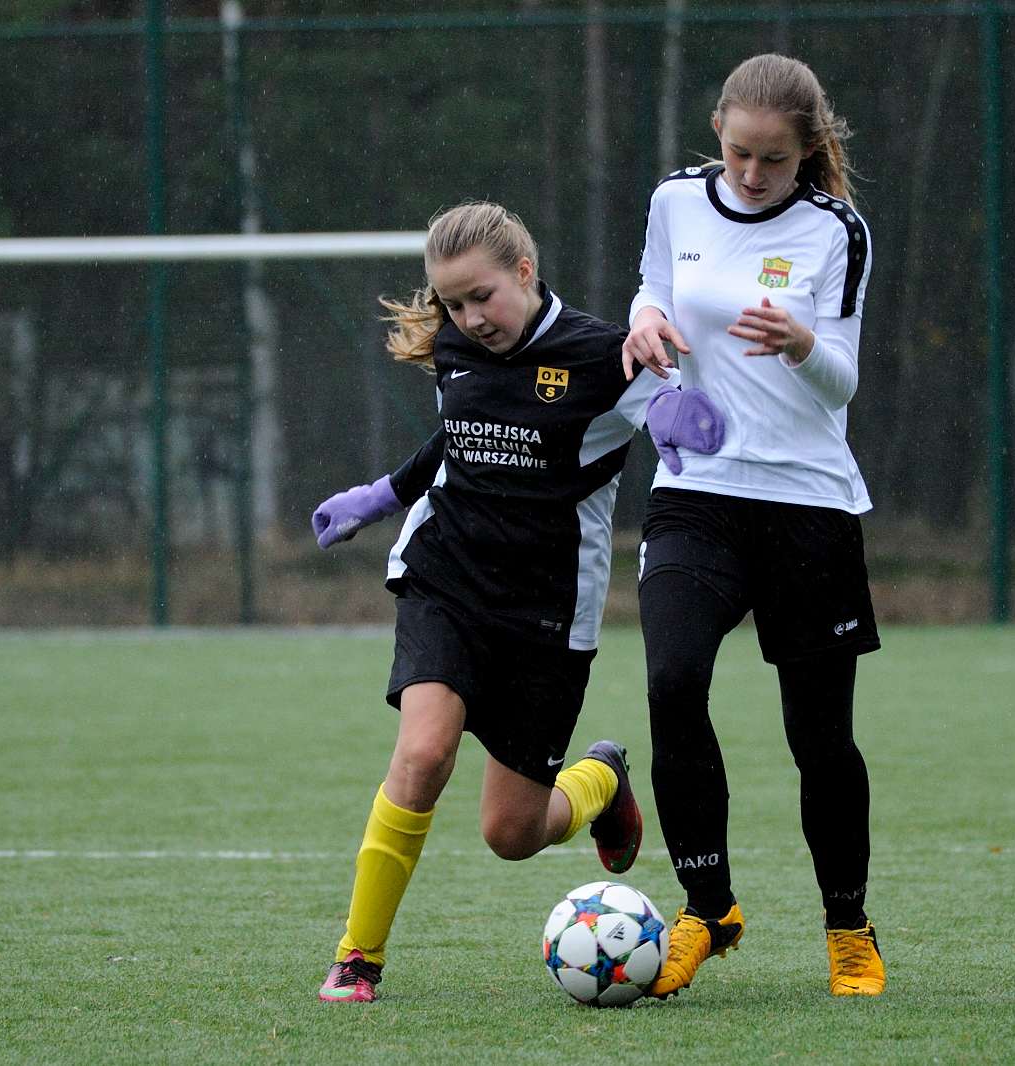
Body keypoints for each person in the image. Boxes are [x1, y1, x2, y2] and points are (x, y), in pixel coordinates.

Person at [310, 201, 725, 1003]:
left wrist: (682, 414)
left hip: (546, 613)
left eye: (481, 297)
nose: (468, 318)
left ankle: (600, 779)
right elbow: (458, 437)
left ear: (525, 272)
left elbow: (668, 406)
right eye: (452, 303)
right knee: (423, 753)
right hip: (446, 579)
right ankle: (359, 955)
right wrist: (382, 495)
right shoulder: (456, 346)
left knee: (510, 834)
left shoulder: (603, 355)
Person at [621, 53, 886, 998]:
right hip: (696, 493)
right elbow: (652, 291)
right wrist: (643, 325)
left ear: (806, 150)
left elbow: (842, 382)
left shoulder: (836, 230)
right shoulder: (674, 201)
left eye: (773, 159)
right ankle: (708, 907)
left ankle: (848, 927)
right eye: (738, 153)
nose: (751, 173)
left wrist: (804, 345)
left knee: (819, 737)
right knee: (672, 683)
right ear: (718, 134)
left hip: (809, 505)